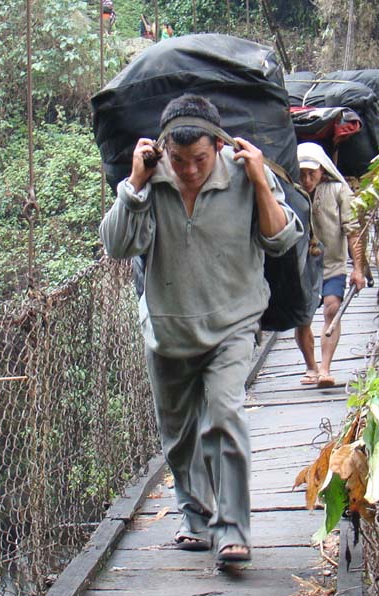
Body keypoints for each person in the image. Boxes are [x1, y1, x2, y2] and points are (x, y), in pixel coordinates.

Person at [101, 95, 304, 565]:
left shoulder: (245, 173)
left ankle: (232, 528)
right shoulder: (151, 181)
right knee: (179, 434)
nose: (190, 170)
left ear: (219, 145)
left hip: (233, 323)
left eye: (200, 160)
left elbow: (281, 239)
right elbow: (115, 245)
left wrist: (258, 182)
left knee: (225, 414)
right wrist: (134, 182)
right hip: (168, 328)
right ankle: (195, 518)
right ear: (163, 149)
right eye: (179, 160)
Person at [295, 142, 365, 389]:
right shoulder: (292, 192)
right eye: (301, 173)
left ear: (322, 170)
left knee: (332, 310)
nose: (306, 179)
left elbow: (353, 230)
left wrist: (358, 268)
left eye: (311, 173)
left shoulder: (337, 191)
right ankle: (311, 367)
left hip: (332, 264)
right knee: (302, 318)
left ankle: (325, 368)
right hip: (302, 266)